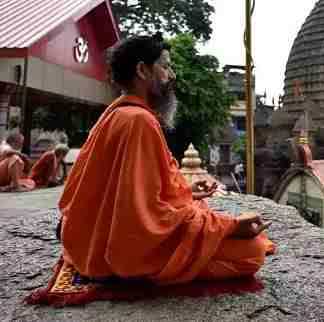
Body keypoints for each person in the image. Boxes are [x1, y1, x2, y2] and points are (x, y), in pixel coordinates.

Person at [58, 34, 274, 285]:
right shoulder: (139, 121)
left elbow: (135, 194)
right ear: (142, 70)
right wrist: (231, 226)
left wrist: (186, 191)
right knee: (252, 252)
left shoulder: (116, 112)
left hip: (88, 236)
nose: (171, 75)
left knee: (200, 211)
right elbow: (144, 217)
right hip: (119, 249)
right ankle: (141, 273)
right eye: (165, 66)